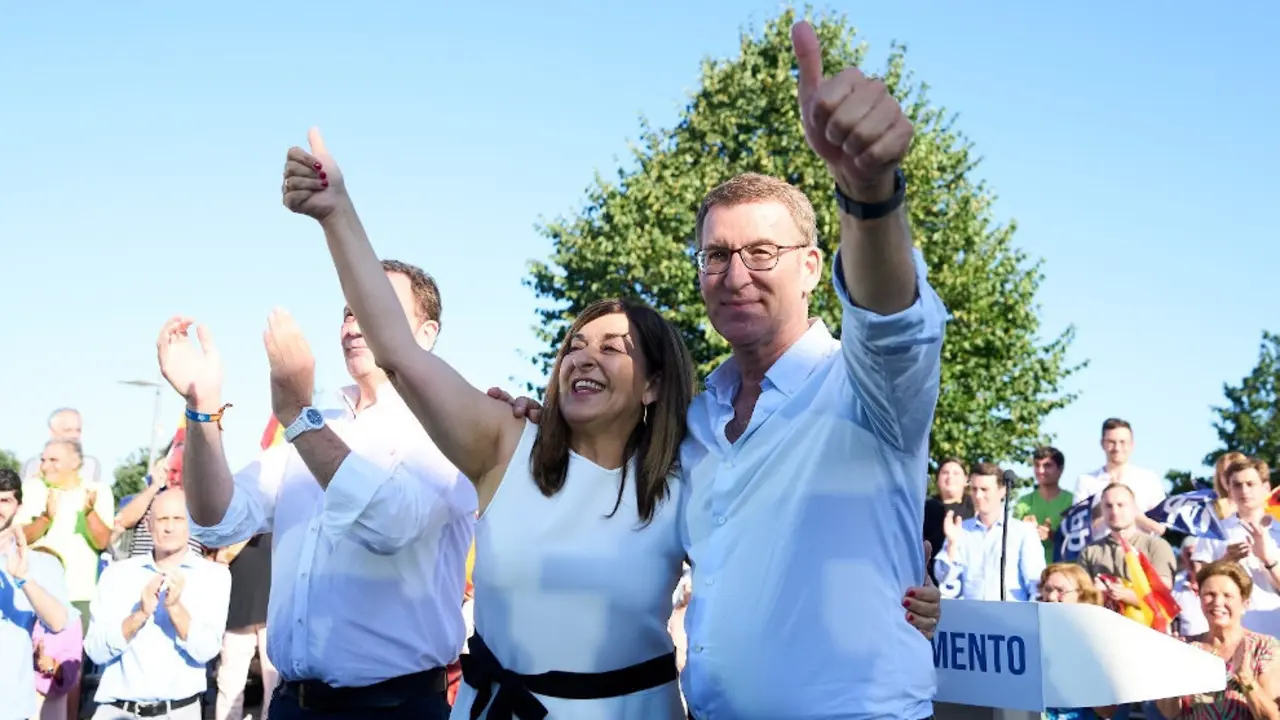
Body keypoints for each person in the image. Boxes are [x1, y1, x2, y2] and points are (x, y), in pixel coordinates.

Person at [486, 19, 947, 718]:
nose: (736, 274)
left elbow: (891, 318)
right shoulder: (695, 423)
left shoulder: (866, 388)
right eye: (716, 255)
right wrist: (535, 416)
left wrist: (868, 190)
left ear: (813, 267)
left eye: (762, 253)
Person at [284, 132, 695, 717]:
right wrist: (336, 212)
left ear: (654, 383)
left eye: (613, 348)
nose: (583, 357)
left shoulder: (688, 473)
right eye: (575, 344)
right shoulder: (507, 442)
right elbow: (399, 352)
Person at [156, 259, 475, 719]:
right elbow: (216, 518)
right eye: (348, 311)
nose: (354, 324)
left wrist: (295, 414)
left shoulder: (449, 425)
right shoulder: (320, 422)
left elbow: (389, 525)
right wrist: (202, 408)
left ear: (426, 334)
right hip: (293, 704)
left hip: (395, 708)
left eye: (374, 308)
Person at [84, 490, 230, 720]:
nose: (169, 528)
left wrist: (175, 609)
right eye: (162, 519)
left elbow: (206, 650)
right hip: (116, 711)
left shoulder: (214, 576)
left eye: (178, 519)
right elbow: (95, 651)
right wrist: (139, 615)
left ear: (191, 525)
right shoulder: (117, 574)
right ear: (149, 526)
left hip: (179, 711)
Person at [1155, 561, 1280, 719]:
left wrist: (1245, 678)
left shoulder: (1265, 647)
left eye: (1227, 596)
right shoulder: (1186, 647)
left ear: (1245, 603)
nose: (1217, 602)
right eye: (1209, 595)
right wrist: (1173, 672)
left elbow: (1272, 717)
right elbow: (1170, 713)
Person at [0, 467, 75, 720]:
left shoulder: (42, 564)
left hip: (11, 706)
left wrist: (23, 580)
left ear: (18, 507)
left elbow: (58, 622)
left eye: (4, 500)